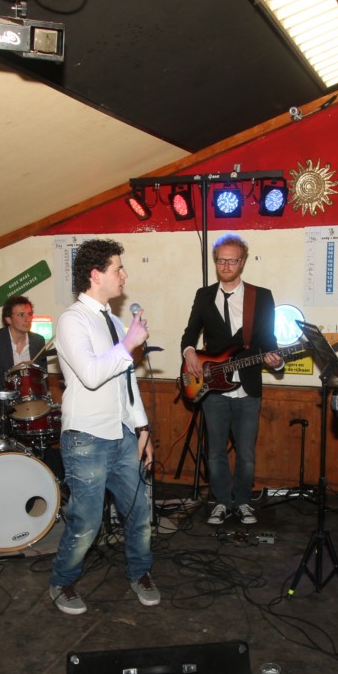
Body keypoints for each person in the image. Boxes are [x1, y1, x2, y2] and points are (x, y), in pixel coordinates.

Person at [47, 239, 157, 615]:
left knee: (140, 511)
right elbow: (92, 375)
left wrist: (142, 429)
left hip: (122, 433)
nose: (124, 274)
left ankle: (140, 573)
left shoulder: (113, 320)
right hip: (86, 437)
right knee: (87, 522)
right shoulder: (72, 320)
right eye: (117, 268)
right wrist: (128, 343)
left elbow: (126, 382)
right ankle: (62, 581)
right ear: (96, 275)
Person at [180, 234, 283, 527]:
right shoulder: (204, 295)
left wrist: (276, 360)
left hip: (248, 387)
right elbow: (190, 334)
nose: (226, 266)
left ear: (243, 262)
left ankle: (243, 502)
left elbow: (269, 340)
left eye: (232, 260)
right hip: (212, 386)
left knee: (246, 454)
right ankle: (222, 502)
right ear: (215, 261)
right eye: (221, 260)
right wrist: (189, 352)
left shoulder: (261, 296)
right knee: (215, 453)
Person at [0, 295, 47, 429]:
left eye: (30, 314)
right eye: (21, 315)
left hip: (30, 410)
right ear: (8, 319)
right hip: (0, 410)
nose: (27, 319)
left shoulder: (38, 341)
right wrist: (13, 372)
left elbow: (44, 378)